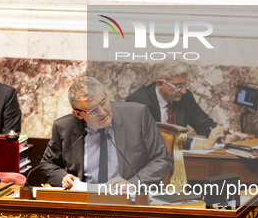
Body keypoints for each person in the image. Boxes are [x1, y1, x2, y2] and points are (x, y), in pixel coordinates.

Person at [39, 77, 172, 188]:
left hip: (128, 199)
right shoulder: (64, 127)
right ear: (78, 114)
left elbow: (162, 160)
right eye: (92, 110)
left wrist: (132, 184)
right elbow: (47, 163)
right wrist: (63, 178)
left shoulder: (138, 115)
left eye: (103, 102)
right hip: (84, 202)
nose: (102, 113)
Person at [126, 60, 246, 150]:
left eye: (184, 85)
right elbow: (154, 139)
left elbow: (204, 124)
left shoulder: (184, 97)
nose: (183, 91)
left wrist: (226, 137)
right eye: (178, 86)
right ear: (160, 84)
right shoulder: (139, 102)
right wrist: (203, 144)